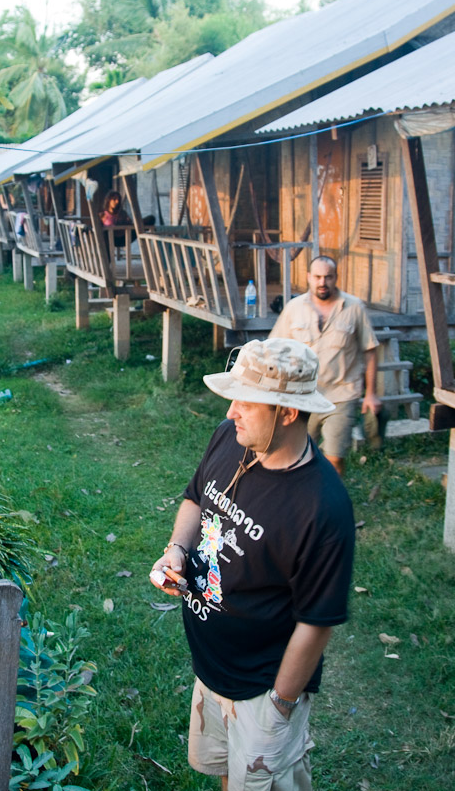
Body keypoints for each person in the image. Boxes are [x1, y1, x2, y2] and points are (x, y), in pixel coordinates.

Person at [150, 338, 355, 791]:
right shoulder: (231, 437)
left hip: (263, 686)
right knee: (230, 775)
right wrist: (176, 551)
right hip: (212, 668)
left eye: (246, 401)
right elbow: (195, 497)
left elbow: (316, 622)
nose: (231, 412)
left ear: (287, 412)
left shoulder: (323, 508)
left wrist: (281, 704)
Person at [269, 255, 381, 475]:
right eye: (318, 277)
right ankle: (303, 499)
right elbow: (275, 349)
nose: (323, 282)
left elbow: (370, 350)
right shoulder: (294, 308)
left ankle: (331, 504)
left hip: (341, 395)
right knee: (296, 454)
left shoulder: (354, 307)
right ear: (309, 278)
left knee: (334, 458)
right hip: (302, 396)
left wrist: (371, 394)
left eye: (328, 277)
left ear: (336, 278)